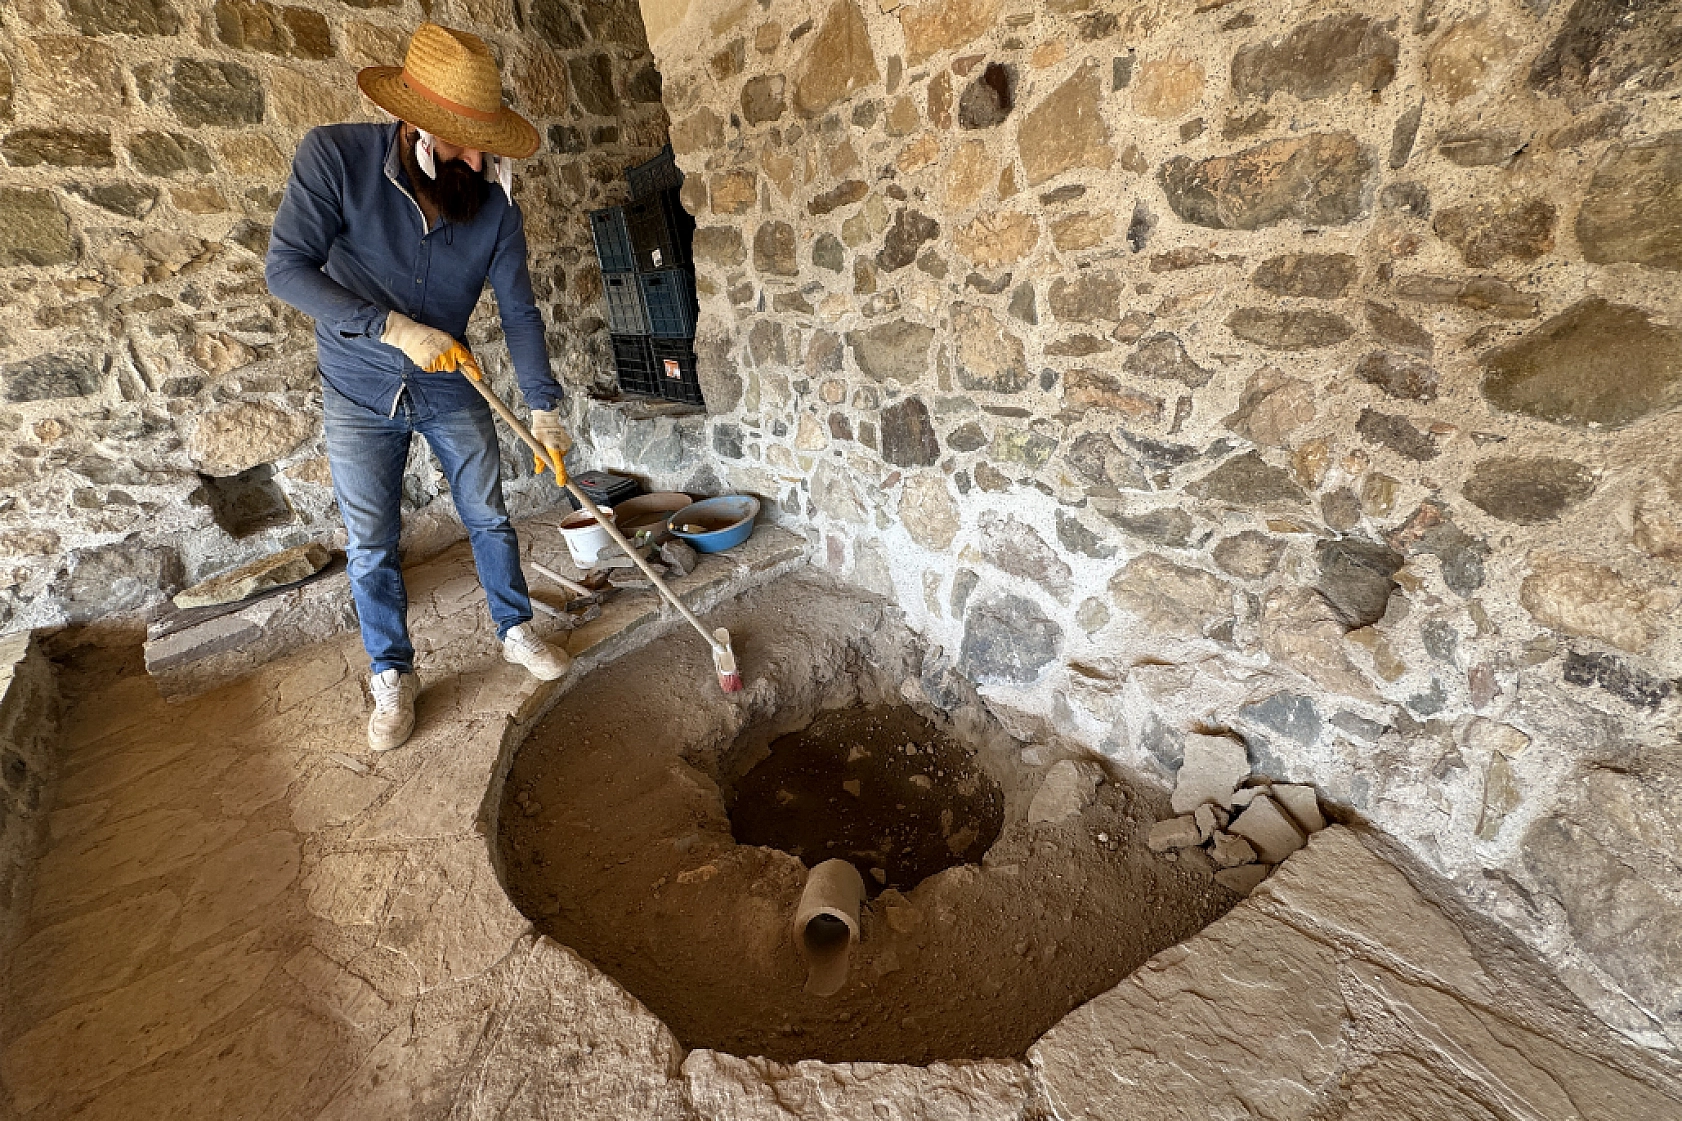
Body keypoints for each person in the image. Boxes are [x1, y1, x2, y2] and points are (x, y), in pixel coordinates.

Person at [266, 22, 573, 752]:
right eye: (460, 141)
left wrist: (545, 408)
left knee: (489, 512)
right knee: (373, 542)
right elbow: (286, 269)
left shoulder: (495, 209)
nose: (476, 157)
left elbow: (520, 311)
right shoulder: (334, 160)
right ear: (414, 126)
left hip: (449, 380)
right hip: (358, 387)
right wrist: (393, 328)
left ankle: (516, 627)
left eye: (484, 141)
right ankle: (392, 672)